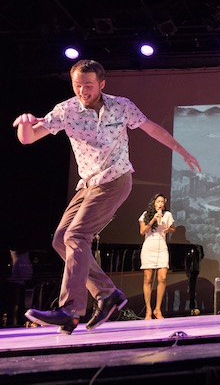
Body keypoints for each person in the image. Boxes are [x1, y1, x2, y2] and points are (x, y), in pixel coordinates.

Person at [13, 59, 201, 334]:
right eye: (77, 85)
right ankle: (107, 293)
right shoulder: (66, 110)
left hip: (115, 179)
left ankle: (70, 309)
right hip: (87, 184)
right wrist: (25, 123)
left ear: (102, 84)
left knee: (76, 236)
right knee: (60, 240)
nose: (82, 91)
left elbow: (151, 127)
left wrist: (181, 150)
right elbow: (28, 138)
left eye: (88, 86)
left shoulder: (121, 106)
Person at [139, 193, 175, 319]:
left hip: (162, 248)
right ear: (154, 203)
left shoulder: (168, 215)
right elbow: (142, 231)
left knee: (162, 278)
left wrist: (168, 229)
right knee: (148, 279)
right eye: (158, 201)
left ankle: (157, 309)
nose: (161, 204)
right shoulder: (145, 215)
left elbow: (172, 229)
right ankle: (148, 310)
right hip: (149, 248)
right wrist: (153, 219)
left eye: (162, 202)